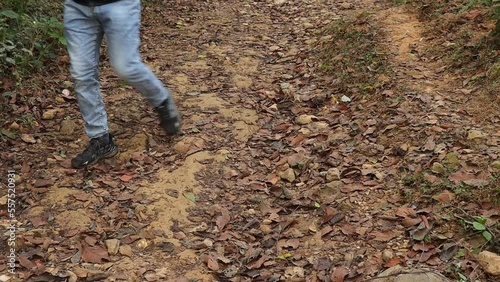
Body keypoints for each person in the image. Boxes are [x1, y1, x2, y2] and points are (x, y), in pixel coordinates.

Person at [63, 0, 181, 168]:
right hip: (77, 7)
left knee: (125, 66)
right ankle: (100, 139)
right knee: (82, 74)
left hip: (119, 4)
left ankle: (161, 100)